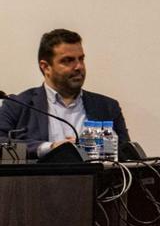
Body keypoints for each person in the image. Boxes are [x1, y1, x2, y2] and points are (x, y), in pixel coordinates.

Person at [0, 29, 130, 159]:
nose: (79, 67)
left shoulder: (106, 106)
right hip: (40, 179)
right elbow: (1, 143)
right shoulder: (18, 105)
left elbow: (128, 152)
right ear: (46, 67)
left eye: (81, 59)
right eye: (68, 60)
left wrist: (98, 148)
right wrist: (49, 147)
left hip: (94, 178)